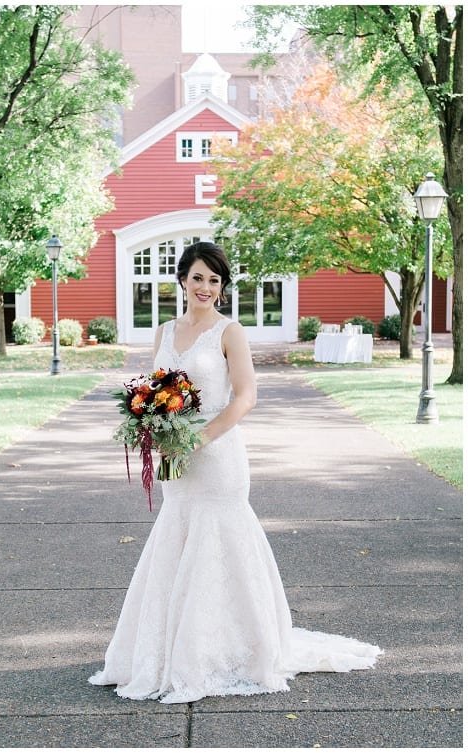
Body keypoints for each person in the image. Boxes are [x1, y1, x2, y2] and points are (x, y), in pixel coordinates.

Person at [89, 241, 381, 703]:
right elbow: (155, 391)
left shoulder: (230, 331)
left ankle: (228, 650)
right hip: (175, 458)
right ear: (182, 279)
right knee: (178, 539)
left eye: (215, 280)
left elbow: (245, 397)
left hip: (218, 455)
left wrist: (200, 438)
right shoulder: (163, 331)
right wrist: (153, 429)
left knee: (220, 540)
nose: (206, 287)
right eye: (198, 277)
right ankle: (171, 649)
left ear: (222, 288)